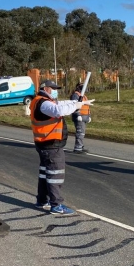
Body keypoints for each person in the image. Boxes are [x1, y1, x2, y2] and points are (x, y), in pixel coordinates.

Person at [30, 80, 94, 215]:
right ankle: (56, 204)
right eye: (53, 88)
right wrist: (76, 105)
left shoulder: (41, 100)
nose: (55, 91)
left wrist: (79, 104)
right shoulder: (44, 103)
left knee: (45, 173)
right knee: (55, 174)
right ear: (46, 89)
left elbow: (62, 104)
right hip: (51, 145)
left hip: (45, 144)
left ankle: (42, 200)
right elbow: (59, 110)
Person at [70, 82, 91, 153]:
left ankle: (80, 146)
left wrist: (89, 116)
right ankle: (78, 148)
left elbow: (87, 107)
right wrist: (78, 115)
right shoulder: (75, 95)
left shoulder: (83, 96)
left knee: (82, 133)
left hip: (84, 117)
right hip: (79, 117)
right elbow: (75, 106)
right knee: (80, 133)